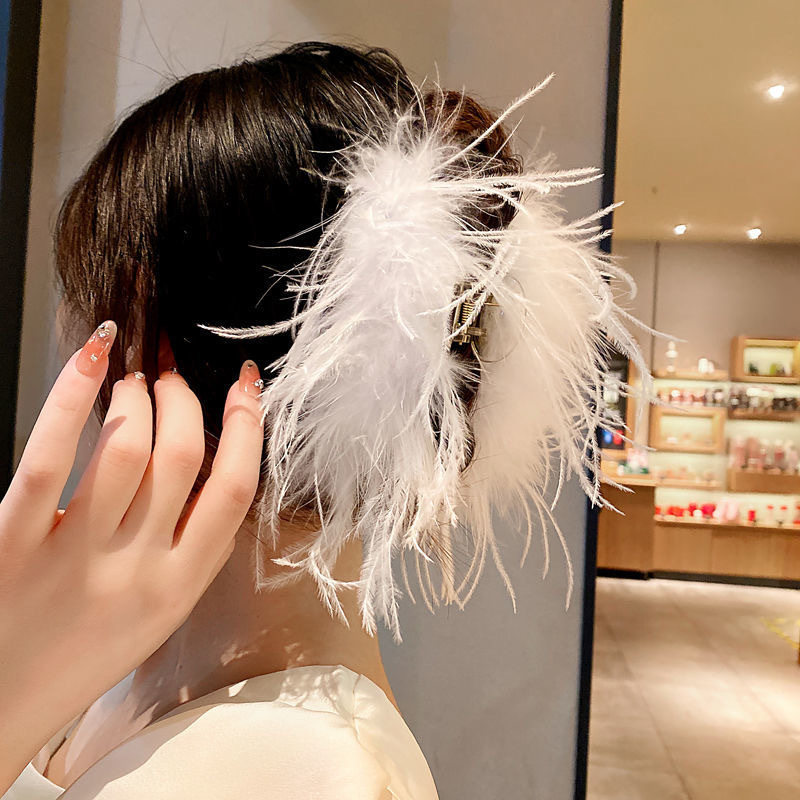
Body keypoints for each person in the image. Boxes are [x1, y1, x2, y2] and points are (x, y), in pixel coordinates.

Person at [1, 39, 653, 799]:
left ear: (149, 340)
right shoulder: (121, 658)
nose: (66, 328)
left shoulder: (301, 772)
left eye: (82, 291)